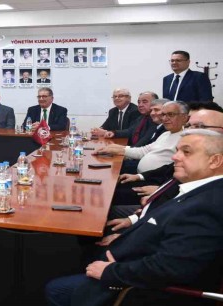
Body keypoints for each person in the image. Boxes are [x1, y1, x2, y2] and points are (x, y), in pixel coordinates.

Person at [45, 129, 223, 306]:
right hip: (128, 261)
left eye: (186, 152)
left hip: (132, 287)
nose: (175, 157)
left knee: (56, 289)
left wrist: (113, 272)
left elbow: (173, 268)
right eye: (177, 151)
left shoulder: (208, 205)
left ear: (215, 161)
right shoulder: (199, 190)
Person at [96, 101, 189, 173]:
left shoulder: (186, 139)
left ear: (185, 118)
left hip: (152, 180)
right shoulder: (166, 134)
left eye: (171, 114)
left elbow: (171, 171)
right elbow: (144, 150)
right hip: (142, 174)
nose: (164, 118)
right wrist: (117, 148)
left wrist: (141, 177)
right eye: (164, 114)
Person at [93, 91, 157, 145]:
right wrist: (113, 133)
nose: (140, 105)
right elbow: (130, 131)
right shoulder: (142, 117)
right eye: (139, 102)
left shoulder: (155, 120)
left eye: (144, 102)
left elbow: (144, 142)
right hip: (130, 149)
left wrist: (124, 150)